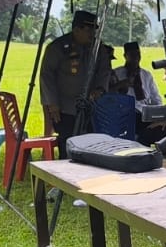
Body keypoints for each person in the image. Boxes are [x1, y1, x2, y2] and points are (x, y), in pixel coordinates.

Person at [40, 9, 114, 152]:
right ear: (76, 30)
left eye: (94, 31)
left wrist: (100, 89)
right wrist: (52, 103)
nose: (92, 34)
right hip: (65, 106)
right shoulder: (58, 47)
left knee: (92, 142)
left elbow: (104, 71)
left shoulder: (99, 49)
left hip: (91, 105)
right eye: (89, 30)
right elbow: (46, 76)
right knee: (67, 141)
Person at [112, 40, 165, 145]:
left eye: (138, 54)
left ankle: (141, 140)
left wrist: (158, 117)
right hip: (124, 113)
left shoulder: (146, 75)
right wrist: (122, 85)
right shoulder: (117, 73)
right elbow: (110, 94)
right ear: (125, 56)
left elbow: (156, 99)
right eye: (132, 55)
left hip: (143, 113)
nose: (136, 57)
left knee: (164, 127)